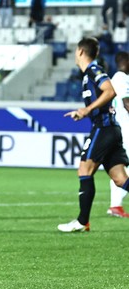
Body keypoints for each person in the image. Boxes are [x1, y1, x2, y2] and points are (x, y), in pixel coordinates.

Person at [58, 37, 129, 232]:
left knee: (84, 170)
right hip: (112, 129)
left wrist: (87, 110)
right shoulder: (88, 74)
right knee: (120, 179)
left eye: (75, 51)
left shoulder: (94, 71)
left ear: (80, 51)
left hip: (104, 128)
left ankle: (82, 222)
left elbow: (110, 91)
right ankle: (83, 222)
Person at [107, 51, 129, 218]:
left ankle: (115, 205)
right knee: (122, 168)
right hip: (126, 129)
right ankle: (115, 205)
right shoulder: (121, 78)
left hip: (120, 129)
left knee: (120, 167)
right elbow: (127, 102)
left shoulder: (115, 79)